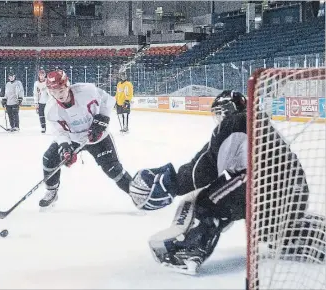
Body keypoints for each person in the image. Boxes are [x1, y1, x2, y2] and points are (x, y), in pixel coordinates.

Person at [128, 90, 322, 274]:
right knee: (267, 227)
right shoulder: (253, 121)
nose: (219, 118)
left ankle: (187, 253)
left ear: (230, 109)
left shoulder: (235, 122)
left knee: (208, 201)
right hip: (293, 193)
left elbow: (205, 167)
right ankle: (314, 234)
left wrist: (171, 183)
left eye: (220, 112)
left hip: (267, 186)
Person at [38, 70, 132, 208]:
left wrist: (103, 119)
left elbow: (107, 99)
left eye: (61, 90)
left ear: (67, 85)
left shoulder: (87, 90)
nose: (59, 95)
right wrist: (65, 147)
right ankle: (52, 191)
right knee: (49, 158)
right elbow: (59, 131)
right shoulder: (51, 109)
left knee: (113, 169)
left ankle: (138, 195)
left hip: (98, 137)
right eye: (54, 92)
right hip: (74, 138)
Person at [33, 69, 49, 133]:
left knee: (50, 115)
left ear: (44, 75)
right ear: (39, 76)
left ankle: (53, 128)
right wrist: (36, 102)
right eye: (40, 75)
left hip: (48, 102)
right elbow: (35, 93)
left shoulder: (48, 82)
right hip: (40, 102)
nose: (41, 76)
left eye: (43, 75)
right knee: (41, 115)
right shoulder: (36, 83)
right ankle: (43, 127)